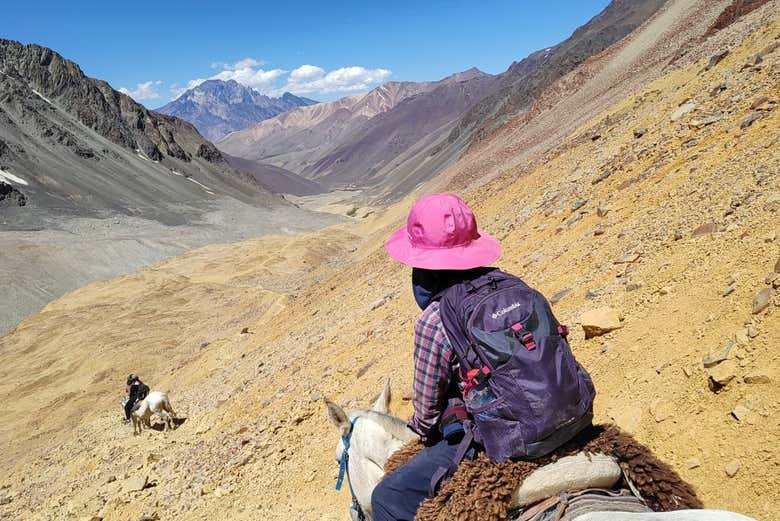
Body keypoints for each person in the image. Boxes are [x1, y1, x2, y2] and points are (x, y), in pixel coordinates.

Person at [373, 193, 594, 521]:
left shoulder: (435, 319)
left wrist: (425, 428)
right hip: (574, 413)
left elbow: (427, 417)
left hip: (507, 438)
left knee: (387, 498)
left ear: (425, 266)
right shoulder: (513, 286)